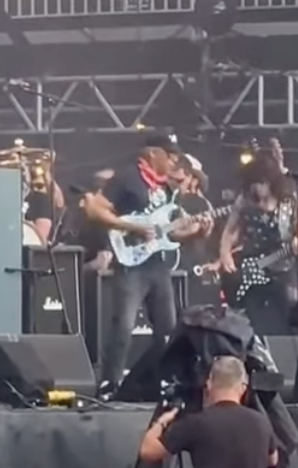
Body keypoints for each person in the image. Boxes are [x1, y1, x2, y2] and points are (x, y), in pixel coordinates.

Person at [85, 135, 209, 397]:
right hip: (131, 263)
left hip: (158, 265)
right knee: (123, 325)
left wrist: (197, 232)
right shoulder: (127, 177)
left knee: (168, 328)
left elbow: (167, 233)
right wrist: (131, 226)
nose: (174, 161)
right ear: (154, 153)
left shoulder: (167, 188)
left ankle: (165, 382)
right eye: (170, 156)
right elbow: (95, 209)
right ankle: (109, 383)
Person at [138, 356, 278, 468]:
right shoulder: (262, 422)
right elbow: (272, 460)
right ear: (243, 388)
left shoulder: (196, 423)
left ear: (209, 384)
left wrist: (162, 421)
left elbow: (148, 451)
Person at [219, 149, 298, 335]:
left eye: (260, 183)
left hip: (282, 267)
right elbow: (230, 230)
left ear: (271, 181)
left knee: (285, 315)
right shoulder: (245, 199)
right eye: (252, 183)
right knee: (252, 317)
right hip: (251, 265)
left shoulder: (290, 200)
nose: (255, 188)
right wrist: (225, 253)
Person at [23, 159, 65, 243]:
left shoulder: (41, 200)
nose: (36, 189)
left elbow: (39, 238)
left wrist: (46, 172)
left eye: (39, 186)